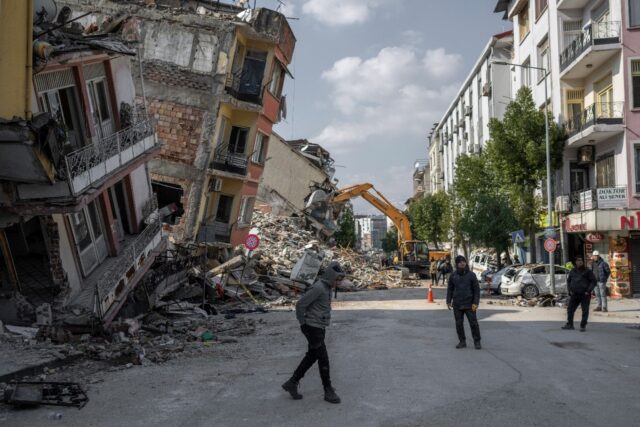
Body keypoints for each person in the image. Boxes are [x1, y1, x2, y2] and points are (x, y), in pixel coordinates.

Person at [282, 261, 345, 404]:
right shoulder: (318, 288)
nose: (338, 283)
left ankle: (292, 382)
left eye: (340, 280)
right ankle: (328, 390)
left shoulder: (327, 287)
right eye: (337, 279)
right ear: (330, 277)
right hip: (312, 327)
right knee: (323, 358)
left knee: (311, 356)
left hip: (319, 327)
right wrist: (303, 324)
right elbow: (300, 304)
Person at [446, 255, 481, 350]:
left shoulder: (471, 275)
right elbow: (450, 289)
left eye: (463, 261)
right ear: (457, 264)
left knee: (474, 324)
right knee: (459, 324)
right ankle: (462, 341)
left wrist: (475, 303)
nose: (462, 263)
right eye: (460, 262)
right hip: (457, 304)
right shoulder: (453, 276)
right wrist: (448, 301)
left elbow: (476, 290)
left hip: (470, 304)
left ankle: (477, 342)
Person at [563, 256, 596, 332]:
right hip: (574, 294)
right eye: (578, 260)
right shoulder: (572, 271)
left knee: (585, 310)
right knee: (570, 309)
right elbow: (568, 281)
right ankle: (570, 324)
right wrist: (569, 290)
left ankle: (583, 325)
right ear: (576, 262)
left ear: (583, 262)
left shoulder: (587, 271)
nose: (580, 262)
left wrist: (588, 291)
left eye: (581, 260)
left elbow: (593, 281)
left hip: (585, 294)